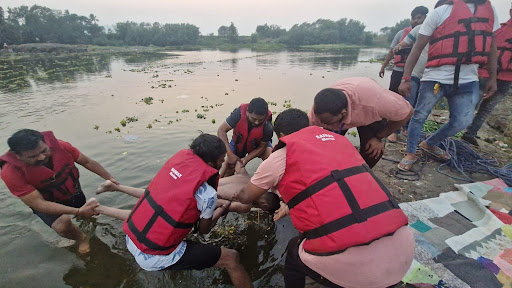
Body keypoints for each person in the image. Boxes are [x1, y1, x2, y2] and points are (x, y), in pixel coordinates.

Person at [233, 109, 415, 288]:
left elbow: (247, 196)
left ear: (281, 135)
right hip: (404, 249)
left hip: (364, 273)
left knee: (294, 251)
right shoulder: (342, 143)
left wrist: (239, 182)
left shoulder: (281, 156)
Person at [89, 134, 253, 288]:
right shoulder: (208, 195)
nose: (223, 161)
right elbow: (204, 230)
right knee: (231, 258)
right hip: (155, 254)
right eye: (221, 159)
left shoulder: (174, 168)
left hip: (132, 238)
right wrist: (222, 209)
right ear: (211, 164)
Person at [397, 0, 500, 171]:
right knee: (419, 115)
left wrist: (492, 77)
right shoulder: (439, 13)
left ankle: (430, 143)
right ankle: (410, 152)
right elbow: (417, 47)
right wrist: (406, 78)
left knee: (462, 121)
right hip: (435, 77)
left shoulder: (490, 12)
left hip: (468, 79)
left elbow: (492, 46)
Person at [0, 129, 118, 253]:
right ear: (18, 156)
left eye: (43, 151)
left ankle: (87, 221)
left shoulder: (61, 146)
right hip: (45, 200)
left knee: (87, 213)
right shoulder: (11, 173)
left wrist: (110, 178)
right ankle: (81, 238)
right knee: (62, 224)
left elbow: (87, 161)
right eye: (33, 156)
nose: (41, 157)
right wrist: (77, 211)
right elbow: (38, 203)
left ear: (45, 143)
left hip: (70, 190)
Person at [95, 162, 280, 215]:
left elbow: (236, 162)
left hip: (195, 180)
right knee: (152, 202)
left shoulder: (246, 177)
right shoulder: (245, 206)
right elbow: (218, 205)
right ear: (262, 204)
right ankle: (107, 199)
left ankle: (115, 187)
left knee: (151, 194)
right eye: (263, 209)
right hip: (197, 194)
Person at [308, 77, 414, 168]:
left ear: (343, 113)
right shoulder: (319, 113)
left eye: (326, 122)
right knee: (326, 148)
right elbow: (302, 136)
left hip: (367, 110)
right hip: (348, 105)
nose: (321, 123)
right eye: (320, 120)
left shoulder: (377, 103)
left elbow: (408, 112)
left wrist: (379, 137)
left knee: (373, 151)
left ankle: (361, 172)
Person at [462, 4, 512, 146]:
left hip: (504, 78)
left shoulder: (497, 31)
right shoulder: (498, 31)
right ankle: (463, 131)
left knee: (479, 107)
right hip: (487, 75)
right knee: (474, 105)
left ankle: (469, 134)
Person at [217, 97, 273, 177]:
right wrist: (229, 154)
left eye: (260, 120)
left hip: (257, 145)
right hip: (239, 143)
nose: (257, 122)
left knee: (272, 159)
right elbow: (221, 130)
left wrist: (246, 159)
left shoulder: (268, 126)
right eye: (254, 119)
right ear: (247, 112)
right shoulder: (238, 114)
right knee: (229, 167)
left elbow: (262, 146)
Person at [379, 6, 429, 93]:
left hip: (418, 74)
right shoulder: (401, 33)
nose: (416, 21)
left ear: (425, 18)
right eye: (413, 18)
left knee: (412, 99)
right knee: (393, 96)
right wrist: (383, 67)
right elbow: (391, 52)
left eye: (419, 18)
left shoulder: (430, 34)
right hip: (399, 71)